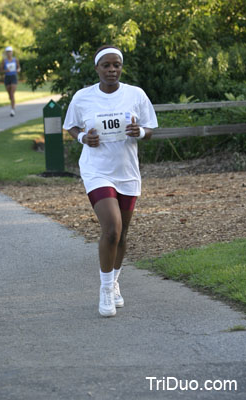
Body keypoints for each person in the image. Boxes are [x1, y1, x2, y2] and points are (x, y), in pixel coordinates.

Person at [63, 45, 158, 317]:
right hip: (97, 170)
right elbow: (71, 126)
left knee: (123, 234)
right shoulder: (83, 97)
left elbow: (150, 129)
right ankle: (105, 290)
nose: (112, 69)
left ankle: (115, 282)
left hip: (127, 171)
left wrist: (139, 131)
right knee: (112, 229)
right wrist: (83, 138)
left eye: (116, 64)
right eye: (106, 65)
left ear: (121, 67)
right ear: (97, 69)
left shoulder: (135, 94)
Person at [0, 46, 21, 116]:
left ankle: (12, 110)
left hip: (13, 77)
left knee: (12, 93)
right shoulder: (4, 61)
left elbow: (19, 68)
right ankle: (12, 103)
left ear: (12, 52)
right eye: (8, 52)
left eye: (10, 52)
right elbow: (1, 70)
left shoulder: (15, 60)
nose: (9, 53)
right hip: (7, 77)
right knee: (10, 95)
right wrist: (6, 70)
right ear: (6, 53)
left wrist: (18, 70)